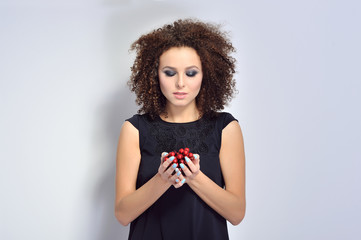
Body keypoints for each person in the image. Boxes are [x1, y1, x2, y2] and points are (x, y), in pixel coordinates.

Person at [114, 19, 246, 240]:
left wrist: (194, 177)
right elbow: (122, 214)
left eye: (191, 73)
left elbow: (237, 213)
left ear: (206, 74)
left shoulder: (226, 128)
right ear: (154, 74)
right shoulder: (134, 129)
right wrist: (162, 179)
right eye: (170, 73)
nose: (180, 84)